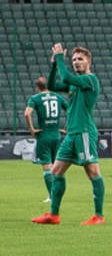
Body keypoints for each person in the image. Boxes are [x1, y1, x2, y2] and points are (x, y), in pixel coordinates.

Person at [32, 44, 105, 226]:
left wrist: (59, 58)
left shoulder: (90, 80)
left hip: (84, 132)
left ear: (89, 61)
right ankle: (53, 215)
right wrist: (54, 65)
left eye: (80, 59)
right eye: (73, 59)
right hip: (71, 134)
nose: (76, 62)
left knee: (93, 172)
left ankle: (99, 216)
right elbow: (51, 85)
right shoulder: (74, 82)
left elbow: (65, 77)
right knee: (56, 171)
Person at [25, 74, 67, 202]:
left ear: (37, 87)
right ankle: (58, 194)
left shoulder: (35, 98)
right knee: (57, 167)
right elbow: (70, 110)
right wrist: (65, 128)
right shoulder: (58, 97)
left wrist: (32, 129)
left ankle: (52, 196)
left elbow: (27, 113)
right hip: (56, 135)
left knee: (46, 167)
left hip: (44, 135)